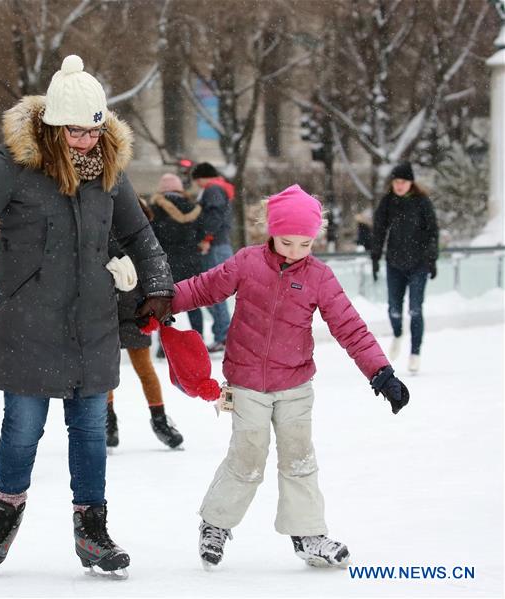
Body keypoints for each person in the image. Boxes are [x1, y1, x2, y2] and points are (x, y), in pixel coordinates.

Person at [0, 55, 174, 578]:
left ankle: (92, 528)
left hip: (92, 325)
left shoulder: (109, 171)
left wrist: (157, 284)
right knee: (22, 430)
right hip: (26, 324)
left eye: (93, 130)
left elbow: (140, 235)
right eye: (74, 131)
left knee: (90, 431)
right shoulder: (14, 166)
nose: (86, 141)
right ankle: (6, 512)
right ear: (50, 125)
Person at [170, 184, 410, 569]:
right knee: (247, 458)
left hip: (296, 385)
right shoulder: (247, 262)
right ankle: (215, 524)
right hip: (246, 383)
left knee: (299, 458)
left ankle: (309, 535)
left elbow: (349, 326)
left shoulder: (319, 277)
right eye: (287, 242)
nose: (295, 251)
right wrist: (162, 299)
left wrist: (380, 372)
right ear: (272, 232)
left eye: (305, 244)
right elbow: (203, 288)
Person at [105, 211, 184, 450]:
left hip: (128, 312)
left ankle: (112, 422)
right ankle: (113, 422)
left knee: (119, 370)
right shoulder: (137, 238)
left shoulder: (109, 235)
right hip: (125, 311)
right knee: (121, 370)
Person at [371, 162, 438, 374]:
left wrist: (431, 259)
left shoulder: (422, 202)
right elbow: (379, 230)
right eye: (396, 182)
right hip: (394, 263)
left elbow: (432, 232)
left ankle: (415, 353)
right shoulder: (389, 202)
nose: (399, 186)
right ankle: (398, 333)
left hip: (418, 264)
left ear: (411, 183)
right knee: (394, 308)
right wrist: (375, 257)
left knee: (415, 308)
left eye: (403, 182)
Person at [150, 172, 207, 358]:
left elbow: (148, 235)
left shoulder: (154, 209)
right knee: (194, 301)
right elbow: (201, 232)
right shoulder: (193, 207)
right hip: (190, 259)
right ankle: (199, 339)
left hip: (164, 261)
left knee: (164, 303)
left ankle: (164, 345)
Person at [191, 162, 234, 353]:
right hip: (221, 245)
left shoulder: (212, 190)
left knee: (214, 293)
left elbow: (213, 216)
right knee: (215, 293)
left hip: (215, 246)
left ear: (201, 178)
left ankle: (224, 336)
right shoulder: (221, 188)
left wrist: (206, 237)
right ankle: (223, 334)